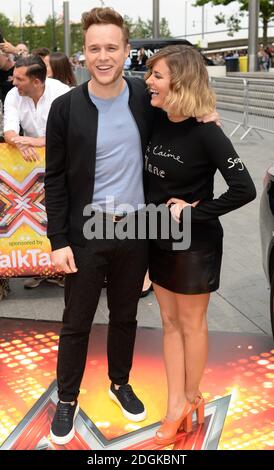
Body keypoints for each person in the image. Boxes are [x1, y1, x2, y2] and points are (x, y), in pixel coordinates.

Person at [44, 7, 219, 446]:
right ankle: (67, 398)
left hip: (137, 230)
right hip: (86, 231)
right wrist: (57, 240)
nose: (103, 56)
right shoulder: (65, 108)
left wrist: (207, 119)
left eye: (111, 48)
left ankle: (119, 383)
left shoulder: (146, 97)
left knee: (125, 315)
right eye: (94, 48)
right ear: (83, 54)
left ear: (125, 52)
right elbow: (55, 178)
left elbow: (183, 115)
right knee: (77, 319)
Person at [144, 45, 256, 446]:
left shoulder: (208, 132)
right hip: (156, 236)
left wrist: (196, 211)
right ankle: (179, 402)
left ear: (181, 81)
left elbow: (245, 189)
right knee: (169, 324)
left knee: (191, 325)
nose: (149, 81)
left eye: (157, 75)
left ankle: (188, 401)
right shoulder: (154, 116)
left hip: (195, 246)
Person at [4, 55, 70, 289]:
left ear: (37, 82)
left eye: (20, 79)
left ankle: (63, 269)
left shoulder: (62, 93)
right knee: (37, 216)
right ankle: (41, 267)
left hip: (65, 161)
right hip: (33, 164)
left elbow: (64, 136)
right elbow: (9, 130)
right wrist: (20, 142)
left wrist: (31, 141)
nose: (14, 83)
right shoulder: (14, 95)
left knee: (61, 212)